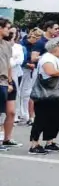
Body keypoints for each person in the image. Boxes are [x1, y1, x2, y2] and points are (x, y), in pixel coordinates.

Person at [27, 36, 59, 155]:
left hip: (58, 93)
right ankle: (34, 143)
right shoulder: (47, 58)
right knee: (42, 118)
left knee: (56, 119)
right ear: (56, 47)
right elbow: (50, 71)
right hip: (47, 94)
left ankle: (50, 141)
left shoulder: (57, 58)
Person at [0, 19, 17, 149]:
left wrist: (10, 81)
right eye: (6, 28)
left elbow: (9, 64)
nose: (8, 31)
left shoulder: (6, 45)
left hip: (5, 81)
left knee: (8, 112)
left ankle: (6, 139)